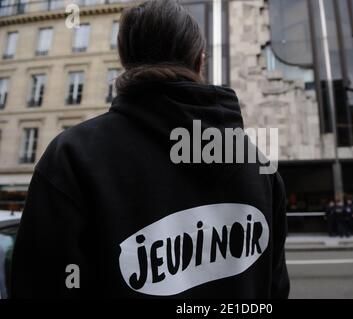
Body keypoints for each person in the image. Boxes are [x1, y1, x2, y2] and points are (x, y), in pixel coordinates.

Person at [11, 0, 289, 298]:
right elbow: (275, 288)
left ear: (124, 60)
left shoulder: (72, 156)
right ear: (199, 62)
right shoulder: (258, 166)